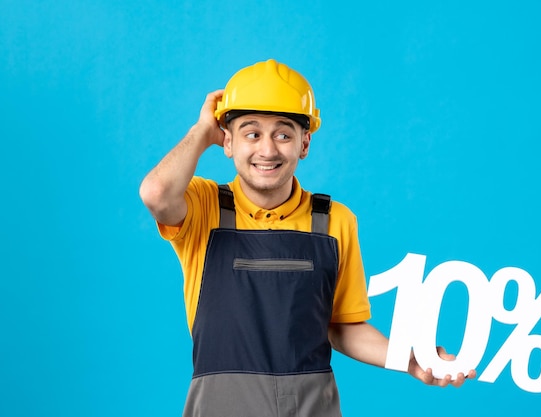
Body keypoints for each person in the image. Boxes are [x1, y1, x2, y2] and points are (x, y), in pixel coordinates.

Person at [140, 59, 475, 417]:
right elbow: (156, 193)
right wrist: (202, 130)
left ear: (305, 143)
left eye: (283, 134)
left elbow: (343, 327)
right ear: (228, 141)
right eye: (251, 133)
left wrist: (410, 359)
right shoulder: (203, 208)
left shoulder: (333, 222)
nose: (267, 150)